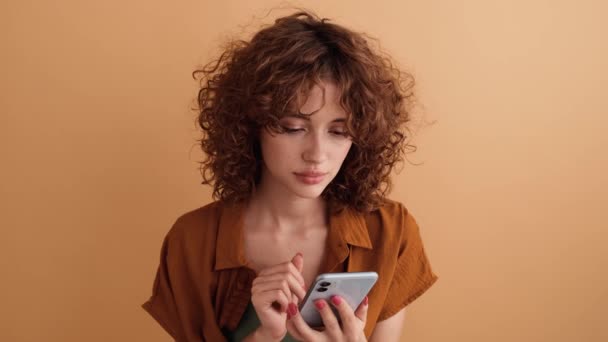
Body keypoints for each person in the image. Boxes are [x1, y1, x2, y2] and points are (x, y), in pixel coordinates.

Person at [142, 10, 438, 342]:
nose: (317, 154)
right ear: (251, 125)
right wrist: (261, 338)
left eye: (339, 132)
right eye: (293, 128)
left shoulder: (392, 231)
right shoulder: (193, 240)